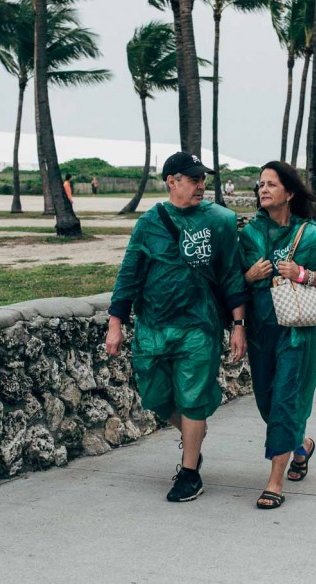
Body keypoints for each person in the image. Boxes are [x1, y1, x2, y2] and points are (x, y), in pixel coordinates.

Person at [105, 151, 248, 503]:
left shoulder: (219, 221)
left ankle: (189, 473)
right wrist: (115, 323)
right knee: (154, 396)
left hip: (199, 326)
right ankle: (193, 436)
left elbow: (231, 275)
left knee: (193, 398)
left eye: (203, 179)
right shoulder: (150, 223)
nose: (201, 186)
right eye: (194, 179)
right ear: (172, 181)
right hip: (153, 326)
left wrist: (239, 324)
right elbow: (129, 274)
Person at [238, 161, 316, 509]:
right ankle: (302, 446)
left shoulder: (312, 236)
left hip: (297, 336)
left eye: (271, 184)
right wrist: (249, 276)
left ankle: (275, 481)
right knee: (268, 403)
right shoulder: (249, 236)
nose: (263, 189)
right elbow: (231, 284)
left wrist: (303, 274)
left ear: (289, 193)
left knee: (286, 400)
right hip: (260, 333)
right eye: (260, 184)